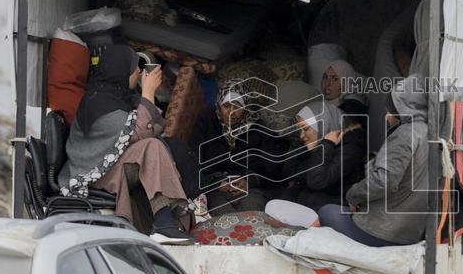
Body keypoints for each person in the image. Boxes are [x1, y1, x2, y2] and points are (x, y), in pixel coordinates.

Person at [59, 45, 192, 244]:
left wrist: (146, 100)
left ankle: (167, 221)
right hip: (95, 172)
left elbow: (153, 127)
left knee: (161, 145)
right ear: (120, 70)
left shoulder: (119, 97)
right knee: (151, 147)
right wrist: (147, 94)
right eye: (133, 67)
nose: (139, 71)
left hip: (113, 165)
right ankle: (163, 224)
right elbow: (138, 132)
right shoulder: (99, 102)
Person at [317, 75, 429, 247]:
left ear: (402, 108)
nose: (387, 115)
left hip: (384, 232)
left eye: (390, 109)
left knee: (327, 211)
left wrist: (353, 195)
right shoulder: (430, 132)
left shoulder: (405, 134)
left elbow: (385, 181)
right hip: (411, 232)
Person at [198, 79, 290, 214]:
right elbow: (194, 161)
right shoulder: (206, 124)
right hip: (216, 190)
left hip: (250, 190)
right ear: (218, 105)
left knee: (250, 215)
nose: (231, 112)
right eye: (227, 106)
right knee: (224, 218)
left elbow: (274, 168)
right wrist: (217, 183)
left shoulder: (258, 130)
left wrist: (249, 181)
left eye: (237, 107)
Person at [280, 100, 367, 210]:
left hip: (337, 207)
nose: (301, 135)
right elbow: (289, 171)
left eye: (306, 129)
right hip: (317, 201)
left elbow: (316, 181)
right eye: (300, 130)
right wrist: (306, 148)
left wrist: (327, 144)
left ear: (324, 124)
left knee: (299, 198)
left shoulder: (350, 150)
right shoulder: (320, 144)